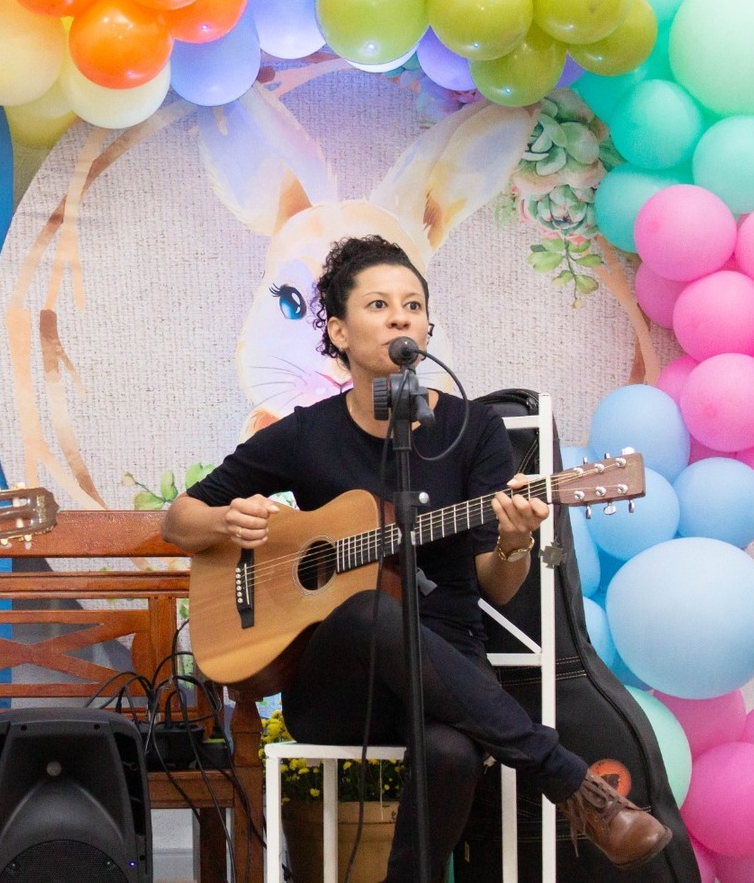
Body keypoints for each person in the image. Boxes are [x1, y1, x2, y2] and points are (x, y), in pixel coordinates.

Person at [161, 235, 672, 882]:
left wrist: (514, 539)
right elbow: (178, 519)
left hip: (446, 670)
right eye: (379, 304)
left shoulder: (472, 430)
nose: (401, 315)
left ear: (427, 326)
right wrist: (218, 517)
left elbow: (499, 585)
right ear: (340, 332)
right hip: (338, 686)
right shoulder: (306, 433)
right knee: (369, 608)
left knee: (452, 752)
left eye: (413, 304)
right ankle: (569, 779)